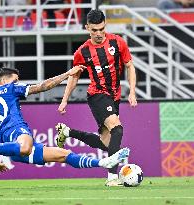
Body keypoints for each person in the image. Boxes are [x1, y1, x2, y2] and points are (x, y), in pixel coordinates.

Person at [0, 67, 130, 174]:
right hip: (18, 134)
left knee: (64, 155)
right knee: (25, 146)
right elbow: (43, 86)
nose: (17, 82)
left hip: (10, 149)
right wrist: (68, 74)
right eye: (15, 79)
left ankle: (103, 163)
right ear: (5, 80)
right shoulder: (9, 89)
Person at [55, 9, 137, 186]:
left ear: (105, 25)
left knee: (107, 144)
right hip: (97, 95)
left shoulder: (117, 42)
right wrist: (64, 100)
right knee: (118, 129)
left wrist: (132, 92)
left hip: (114, 96)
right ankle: (112, 178)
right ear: (87, 28)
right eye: (94, 30)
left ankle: (67, 132)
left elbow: (130, 66)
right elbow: (74, 76)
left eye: (101, 29)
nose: (98, 34)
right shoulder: (82, 52)